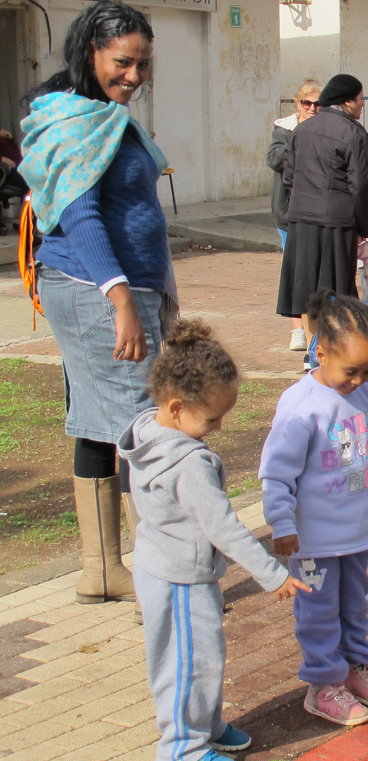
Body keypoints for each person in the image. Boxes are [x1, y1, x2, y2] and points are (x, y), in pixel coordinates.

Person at [20, 0, 174, 605]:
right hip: (94, 290)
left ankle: (104, 570)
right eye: (122, 62)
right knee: (143, 425)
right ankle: (156, 571)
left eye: (142, 64)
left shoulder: (104, 115)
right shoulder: (73, 120)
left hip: (118, 289)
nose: (133, 75)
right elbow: (79, 216)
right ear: (90, 54)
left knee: (99, 421)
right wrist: (121, 301)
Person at [118, 320, 309, 761]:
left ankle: (204, 723)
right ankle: (180, 746)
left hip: (164, 565)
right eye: (212, 419)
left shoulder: (149, 431)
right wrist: (273, 574)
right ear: (178, 407)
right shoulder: (188, 465)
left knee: (200, 654)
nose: (217, 428)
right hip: (180, 577)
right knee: (189, 659)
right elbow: (224, 527)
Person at [260, 293, 368, 727]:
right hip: (315, 541)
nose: (358, 380)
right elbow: (277, 475)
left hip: (357, 534)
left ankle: (357, 670)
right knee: (318, 613)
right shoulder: (301, 407)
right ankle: (324, 685)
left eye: (367, 371)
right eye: (349, 371)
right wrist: (281, 525)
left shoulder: (362, 397)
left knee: (357, 605)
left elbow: (364, 455)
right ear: (320, 352)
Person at [277, 74, 368, 351]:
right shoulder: (353, 132)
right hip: (336, 221)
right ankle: (330, 349)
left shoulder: (302, 130)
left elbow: (289, 177)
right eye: (360, 99)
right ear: (347, 101)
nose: (362, 105)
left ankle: (311, 351)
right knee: (337, 291)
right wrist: (365, 226)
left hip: (302, 218)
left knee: (306, 290)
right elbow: (361, 185)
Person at [268, 78, 321, 353]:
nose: (312, 108)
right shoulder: (284, 129)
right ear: (297, 103)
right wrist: (299, 136)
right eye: (307, 103)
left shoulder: (325, 129)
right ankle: (296, 329)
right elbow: (275, 160)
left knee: (313, 272)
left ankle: (315, 328)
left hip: (315, 209)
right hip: (289, 211)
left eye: (317, 104)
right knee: (294, 271)